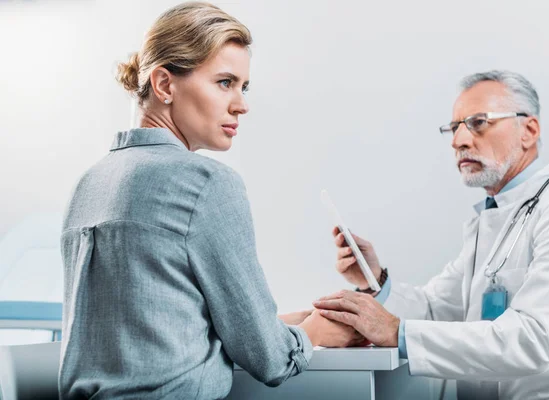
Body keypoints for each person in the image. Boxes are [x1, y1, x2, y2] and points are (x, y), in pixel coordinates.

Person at [59, 2, 362, 399]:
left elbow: (150, 335)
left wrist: (280, 324)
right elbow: (271, 359)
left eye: (244, 86)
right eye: (225, 82)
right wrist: (314, 332)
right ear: (165, 85)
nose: (241, 104)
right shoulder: (204, 183)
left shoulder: (89, 183)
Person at [313, 70, 549, 399]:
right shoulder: (493, 218)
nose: (458, 141)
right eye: (454, 128)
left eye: (478, 122)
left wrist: (396, 331)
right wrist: (372, 278)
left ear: (529, 130)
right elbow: (436, 311)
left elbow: (534, 339)